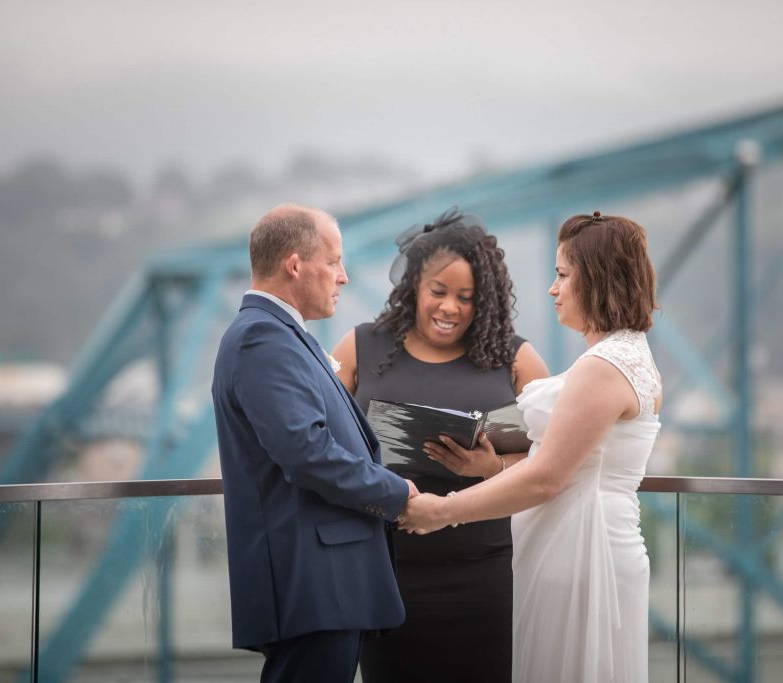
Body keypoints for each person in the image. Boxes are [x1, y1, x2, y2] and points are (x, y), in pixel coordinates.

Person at [400, 211, 663, 683]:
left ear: (597, 279)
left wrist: (441, 510)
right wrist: (493, 465)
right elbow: (571, 463)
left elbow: (548, 478)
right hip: (587, 544)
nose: (552, 288)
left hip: (580, 553)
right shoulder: (629, 356)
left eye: (563, 274)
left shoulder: (603, 366)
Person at [330, 208, 549, 683]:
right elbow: (320, 438)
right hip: (386, 572)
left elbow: (550, 465)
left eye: (466, 298)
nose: (451, 308)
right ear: (414, 287)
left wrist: (490, 468)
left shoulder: (514, 359)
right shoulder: (361, 348)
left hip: (488, 577)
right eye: (439, 292)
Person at [211, 204, 418, 683]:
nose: (343, 277)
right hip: (311, 580)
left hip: (323, 579)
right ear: (295, 264)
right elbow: (307, 453)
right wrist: (395, 493)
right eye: (333, 261)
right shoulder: (262, 338)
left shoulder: (278, 334)